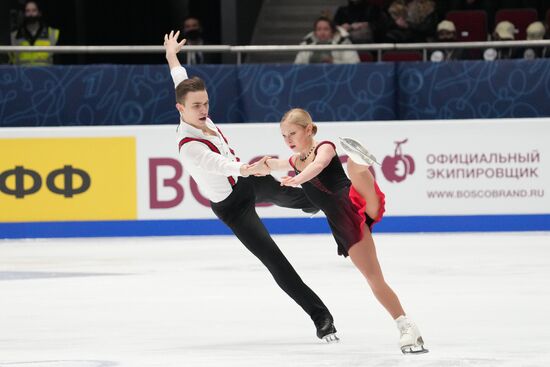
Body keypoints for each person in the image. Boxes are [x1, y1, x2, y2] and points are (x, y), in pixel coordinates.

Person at [163, 31, 338, 342]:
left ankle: (315, 205)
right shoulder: (188, 145)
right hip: (232, 206)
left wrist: (172, 54)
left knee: (294, 194)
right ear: (181, 109)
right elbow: (218, 164)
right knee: (274, 259)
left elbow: (180, 77)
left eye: (205, 103)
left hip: (247, 180)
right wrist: (246, 168)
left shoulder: (190, 100)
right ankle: (321, 316)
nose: (203, 110)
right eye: (196, 106)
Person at [260, 108, 428, 354]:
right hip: (343, 224)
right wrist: (244, 169)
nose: (288, 140)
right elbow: (273, 164)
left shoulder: (324, 147)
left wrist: (299, 178)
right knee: (373, 278)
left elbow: (318, 166)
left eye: (292, 133)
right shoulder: (296, 161)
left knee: (355, 173)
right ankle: (359, 163)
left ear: (308, 129)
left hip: (353, 203)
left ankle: (406, 326)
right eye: (284, 136)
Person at [10, 0, 59, 66]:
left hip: (45, 74)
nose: (31, 14)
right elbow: (11, 60)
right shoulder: (14, 35)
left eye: (34, 10)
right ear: (24, 13)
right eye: (28, 11)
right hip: (22, 74)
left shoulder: (52, 33)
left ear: (39, 13)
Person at [294, 16, 360, 64]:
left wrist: (333, 62)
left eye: (326, 29)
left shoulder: (343, 43)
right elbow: (297, 65)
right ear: (315, 32)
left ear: (332, 31)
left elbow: (354, 64)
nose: (322, 32)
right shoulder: (307, 44)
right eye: (319, 29)